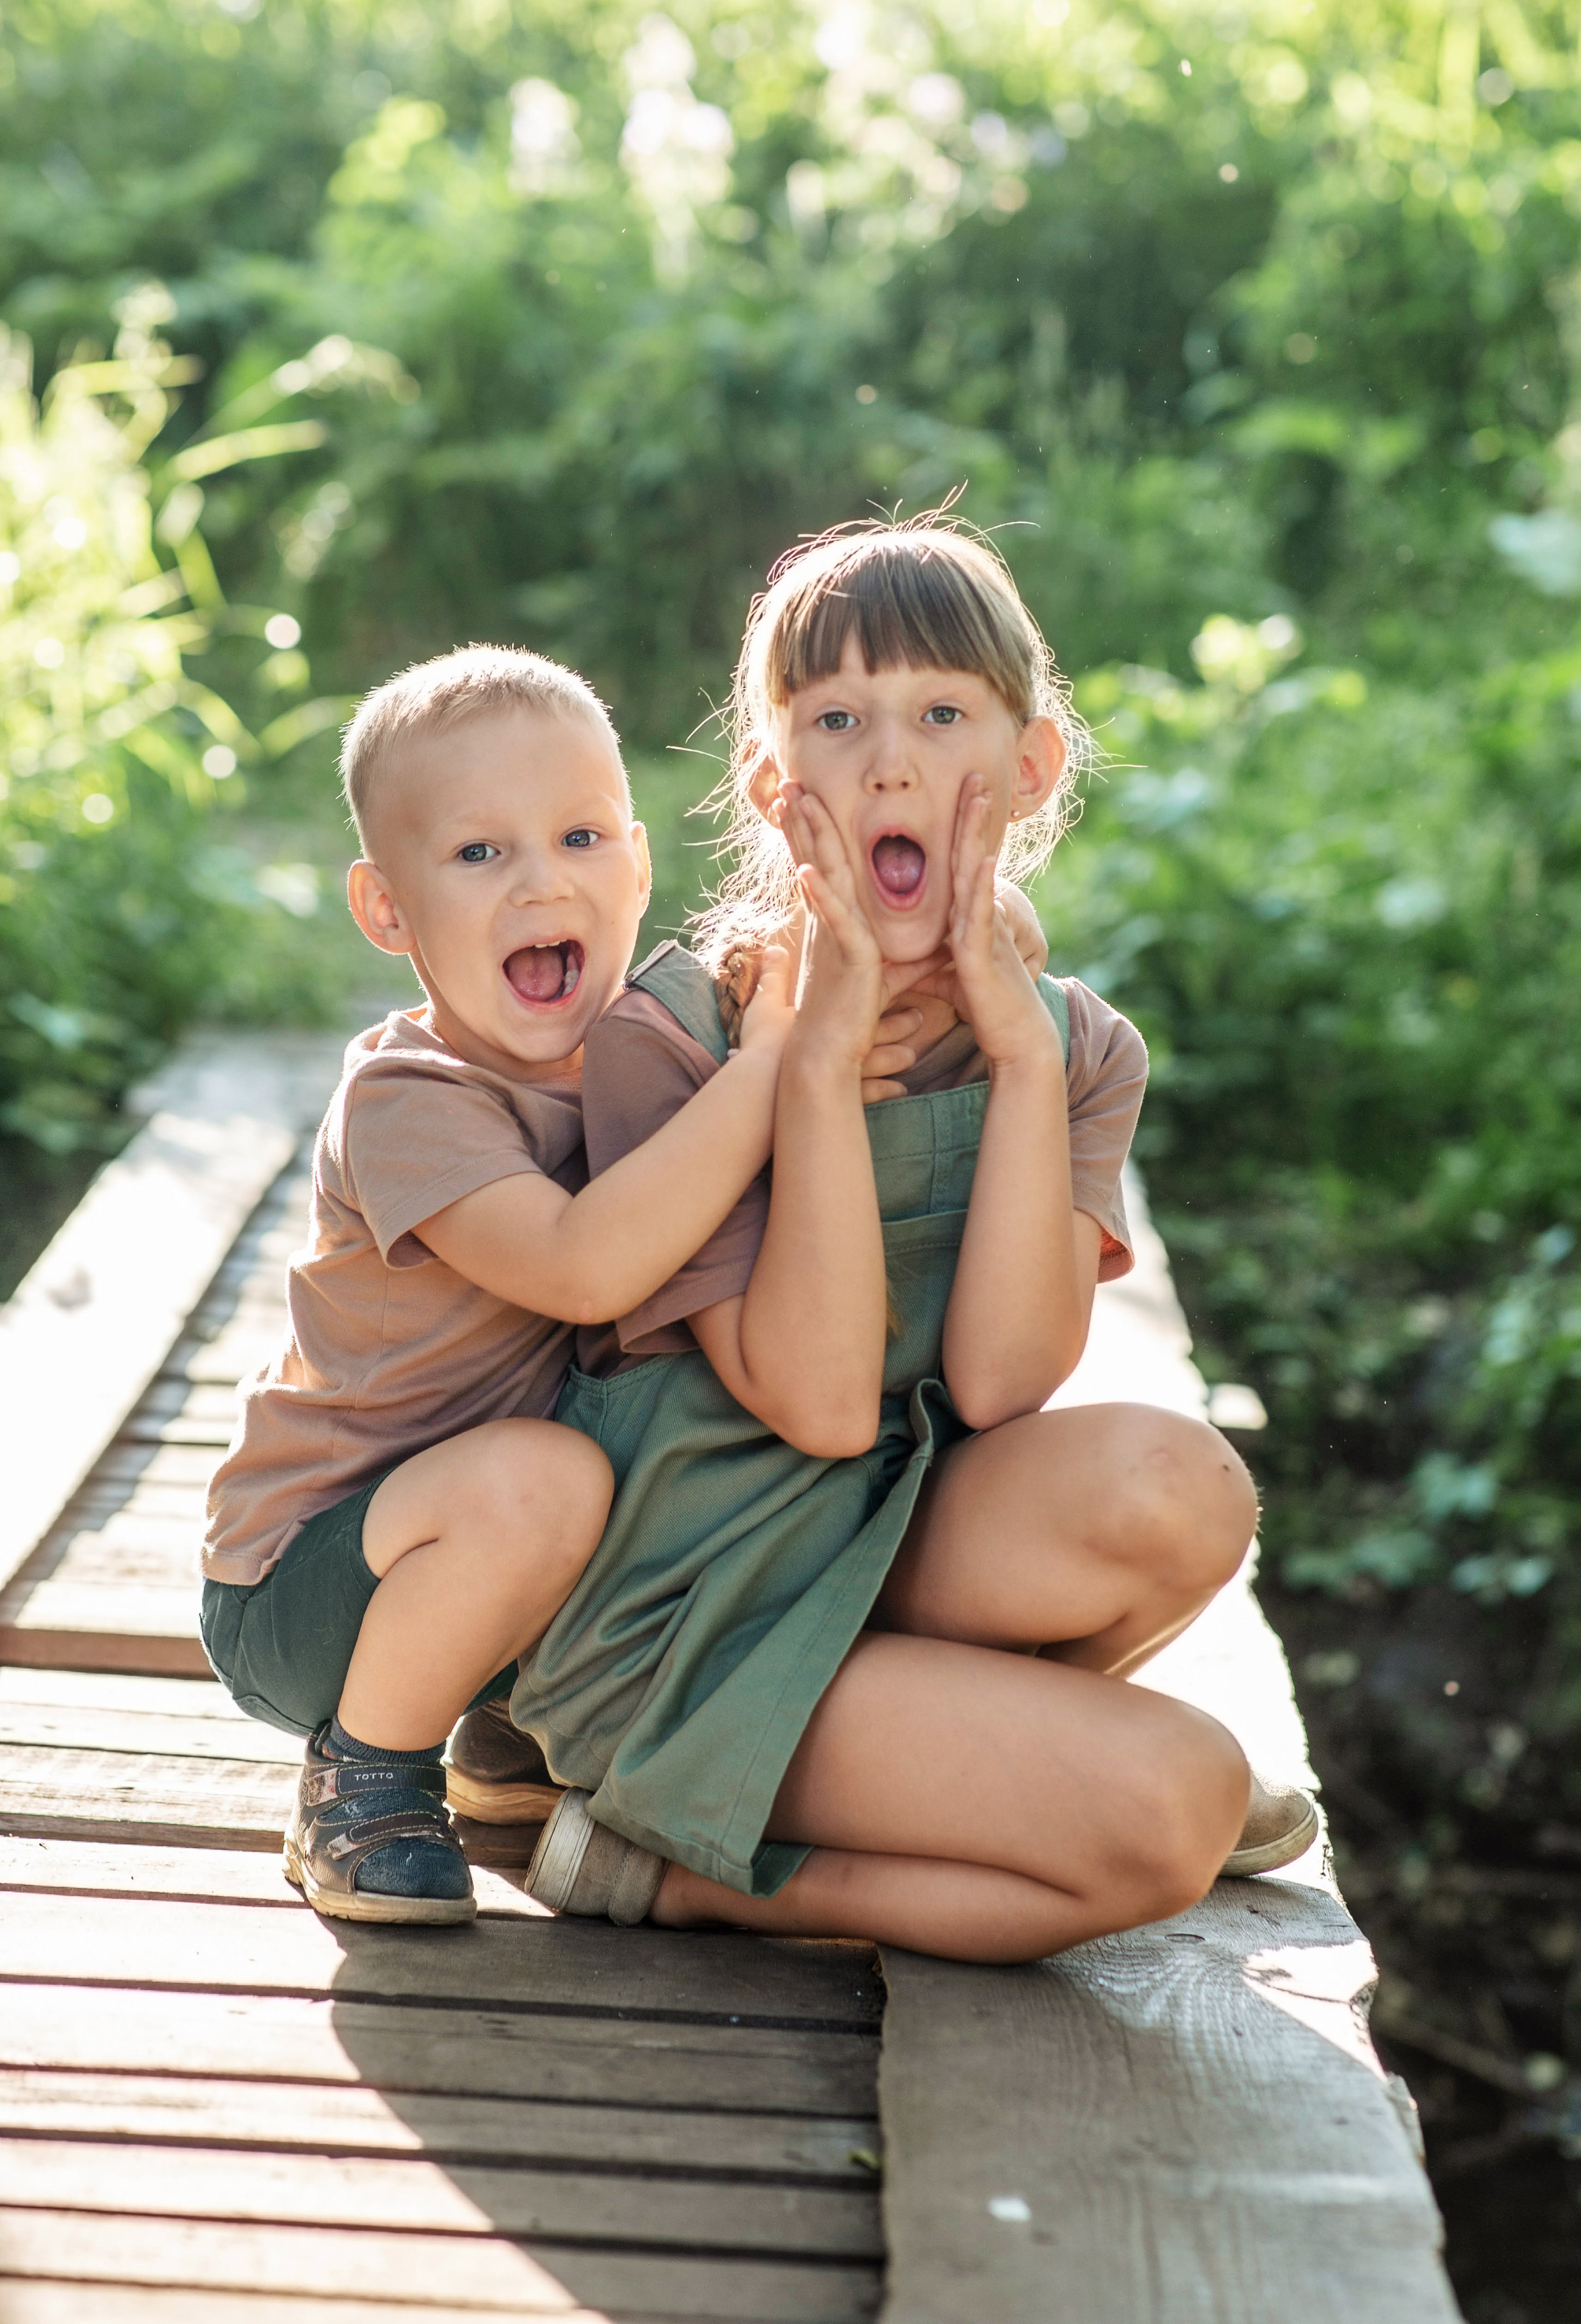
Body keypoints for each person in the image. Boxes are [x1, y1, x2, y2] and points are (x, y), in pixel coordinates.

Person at [514, 519, 1316, 1964]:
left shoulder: (1076, 1050)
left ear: (1026, 767)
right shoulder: (674, 1042)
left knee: (1185, 1487)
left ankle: (943, 1764)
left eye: (939, 713)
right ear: (774, 784)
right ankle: (686, 1862)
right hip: (700, 1613)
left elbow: (1004, 1382)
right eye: (836, 720)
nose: (888, 761)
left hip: (892, 1554)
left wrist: (1015, 1058)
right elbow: (818, 1403)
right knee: (1178, 1803)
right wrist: (812, 1070)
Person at [199, 645, 805, 1926]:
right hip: (310, 1575)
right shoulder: (409, 1099)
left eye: (581, 836)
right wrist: (773, 1070)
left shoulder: (647, 1045)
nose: (542, 880)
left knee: (675, 1418)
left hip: (484, 1539)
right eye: (479, 854)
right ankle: (361, 1775)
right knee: (546, 1476)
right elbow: (585, 1266)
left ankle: (501, 1731)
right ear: (385, 909)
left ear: (639, 867)